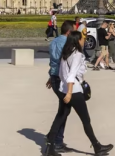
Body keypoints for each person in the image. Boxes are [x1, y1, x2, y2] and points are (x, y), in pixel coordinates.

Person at [45, 31, 114, 156]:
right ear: (77, 41)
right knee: (85, 120)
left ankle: (50, 147)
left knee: (60, 117)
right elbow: (71, 75)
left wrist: (64, 89)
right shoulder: (76, 55)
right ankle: (97, 147)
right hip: (74, 91)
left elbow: (61, 74)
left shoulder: (66, 54)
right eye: (83, 39)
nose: (85, 41)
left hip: (64, 90)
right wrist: (70, 93)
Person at [46, 20, 74, 154]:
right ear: (69, 32)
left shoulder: (54, 41)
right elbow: (65, 63)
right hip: (61, 79)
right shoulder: (67, 43)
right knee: (64, 110)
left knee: (64, 109)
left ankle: (56, 139)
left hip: (54, 77)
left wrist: (51, 77)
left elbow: (53, 61)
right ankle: (54, 140)